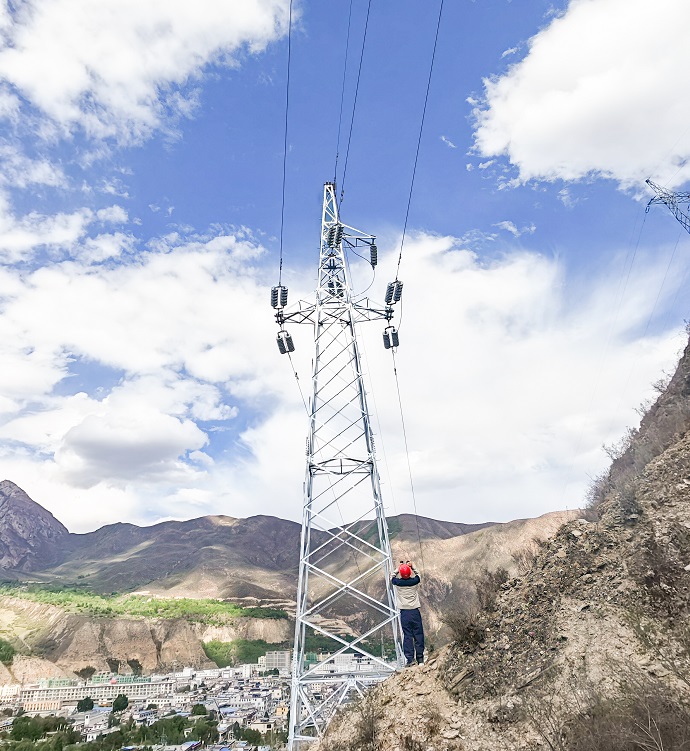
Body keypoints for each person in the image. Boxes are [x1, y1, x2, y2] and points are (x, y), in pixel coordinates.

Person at [391, 560, 424, 666]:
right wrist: (412, 566)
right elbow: (419, 575)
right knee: (418, 634)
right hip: (415, 611)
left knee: (408, 636)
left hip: (404, 613)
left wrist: (399, 568)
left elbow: (392, 577)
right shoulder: (414, 582)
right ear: (409, 573)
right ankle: (420, 659)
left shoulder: (398, 583)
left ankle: (410, 659)